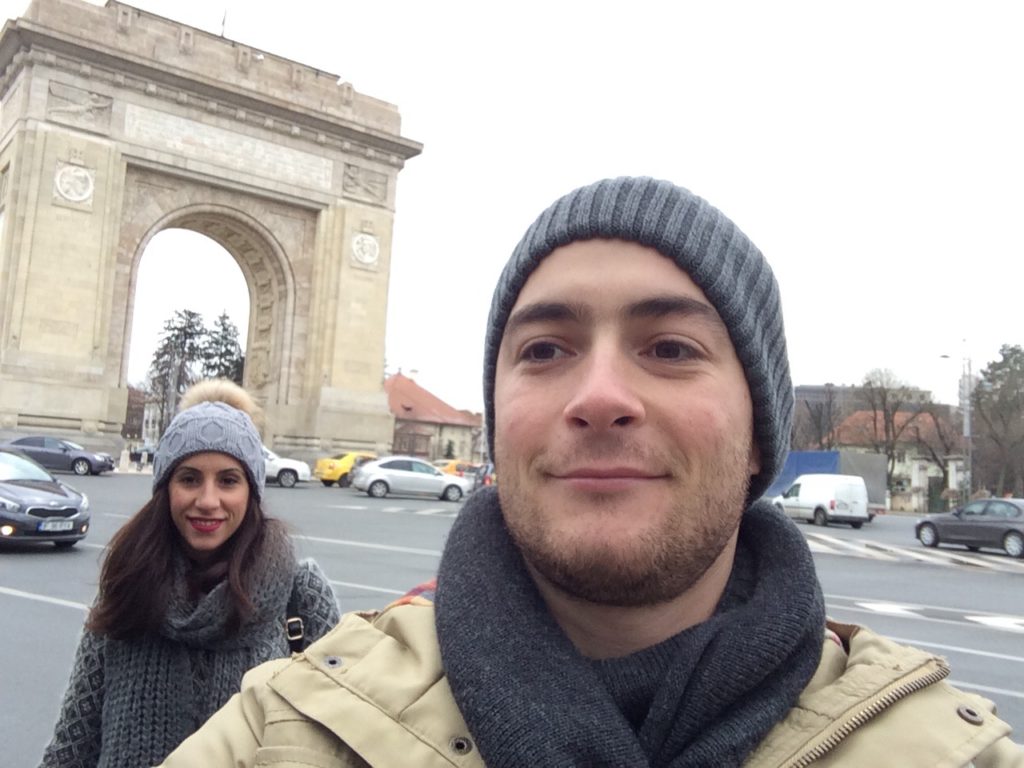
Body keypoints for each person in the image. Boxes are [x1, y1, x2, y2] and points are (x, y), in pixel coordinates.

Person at [160, 178, 1022, 766]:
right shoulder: (283, 728)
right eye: (544, 349)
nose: (601, 396)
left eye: (671, 348)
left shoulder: (959, 751)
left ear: (761, 435)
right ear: (498, 424)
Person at [40, 380, 341, 768]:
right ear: (165, 488)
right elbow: (72, 747)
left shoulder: (302, 596)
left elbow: (340, 738)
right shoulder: (128, 584)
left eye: (229, 480)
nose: (208, 501)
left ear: (252, 490)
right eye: (189, 478)